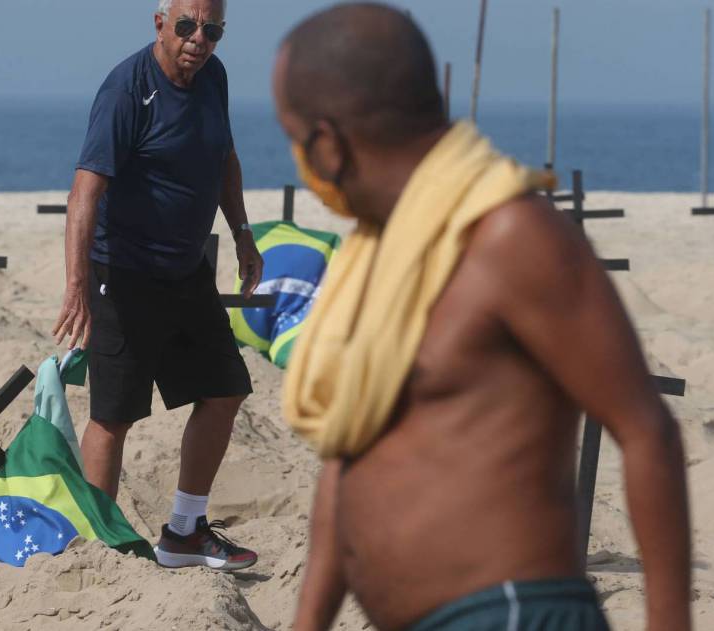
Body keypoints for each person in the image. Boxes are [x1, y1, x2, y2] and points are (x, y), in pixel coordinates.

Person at [272, 4, 692, 630]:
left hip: (514, 614)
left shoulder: (512, 237)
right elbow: (348, 453)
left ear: (328, 144)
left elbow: (645, 429)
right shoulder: (378, 258)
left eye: (296, 139)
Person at [52, 0, 262, 571]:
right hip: (120, 273)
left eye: (212, 30)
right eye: (188, 25)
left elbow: (224, 157)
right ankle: (101, 549)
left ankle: (185, 532)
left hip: (186, 270)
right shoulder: (126, 91)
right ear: (160, 23)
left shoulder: (213, 76)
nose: (199, 39)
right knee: (113, 416)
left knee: (224, 391)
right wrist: (76, 285)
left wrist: (241, 231)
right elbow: (84, 193)